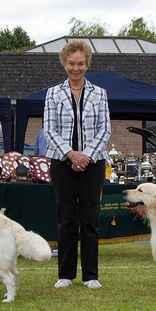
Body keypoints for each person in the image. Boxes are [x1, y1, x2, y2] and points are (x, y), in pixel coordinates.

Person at [44, 40, 111, 289]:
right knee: (66, 218)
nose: (76, 68)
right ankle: (65, 274)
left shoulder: (100, 93)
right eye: (71, 63)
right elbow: (49, 130)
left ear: (87, 64)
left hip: (93, 163)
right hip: (62, 163)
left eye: (80, 63)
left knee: (90, 219)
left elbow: (105, 130)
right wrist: (71, 155)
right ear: (64, 64)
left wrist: (86, 156)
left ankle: (91, 275)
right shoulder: (53, 93)